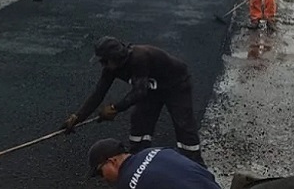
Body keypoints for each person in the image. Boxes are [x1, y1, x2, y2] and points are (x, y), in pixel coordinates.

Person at [61, 36, 205, 166]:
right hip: (150, 87)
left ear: (115, 57)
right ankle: (139, 159)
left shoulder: (139, 58)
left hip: (176, 85)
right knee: (139, 120)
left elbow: (139, 92)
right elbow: (98, 93)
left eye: (104, 61)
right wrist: (78, 117)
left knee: (183, 123)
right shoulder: (110, 68)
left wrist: (115, 108)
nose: (102, 65)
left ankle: (195, 163)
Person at [87, 138, 220, 189]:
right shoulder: (154, 150)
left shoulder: (126, 183)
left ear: (112, 161)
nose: (103, 178)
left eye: (100, 172)